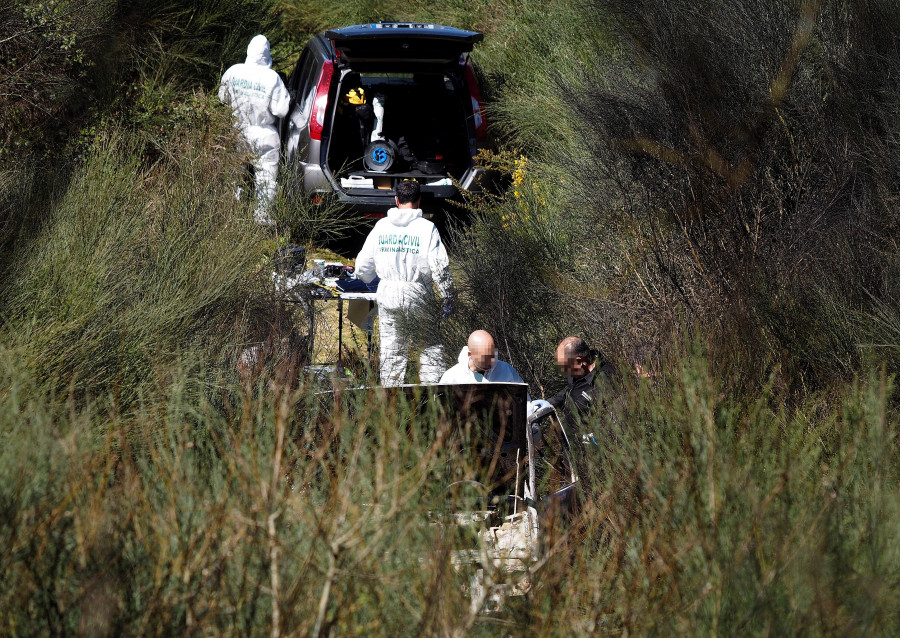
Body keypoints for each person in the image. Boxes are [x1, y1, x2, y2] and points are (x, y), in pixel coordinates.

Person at [354, 180, 454, 386]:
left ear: (396, 200)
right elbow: (440, 267)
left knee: (392, 352)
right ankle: (433, 397)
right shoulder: (427, 228)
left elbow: (362, 265)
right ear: (418, 201)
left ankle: (391, 405)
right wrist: (448, 297)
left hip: (388, 292)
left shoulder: (381, 226)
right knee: (429, 348)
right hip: (418, 293)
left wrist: (371, 282)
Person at [219, 34, 290, 225]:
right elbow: (281, 110)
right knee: (266, 178)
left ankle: (231, 214)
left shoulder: (233, 72)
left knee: (234, 175)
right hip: (264, 133)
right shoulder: (272, 78)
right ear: (267, 54)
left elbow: (222, 98)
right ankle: (263, 217)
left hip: (237, 130)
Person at [548, 336, 615, 433]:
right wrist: (548, 403)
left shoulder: (607, 379)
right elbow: (569, 390)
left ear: (579, 361)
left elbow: (610, 421)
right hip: (569, 436)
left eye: (566, 367)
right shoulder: (576, 373)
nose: (564, 372)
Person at [439, 330, 526, 384]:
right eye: (485, 358)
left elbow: (525, 403)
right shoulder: (451, 377)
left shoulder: (506, 371)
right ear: (471, 355)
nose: (491, 361)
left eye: (492, 355)